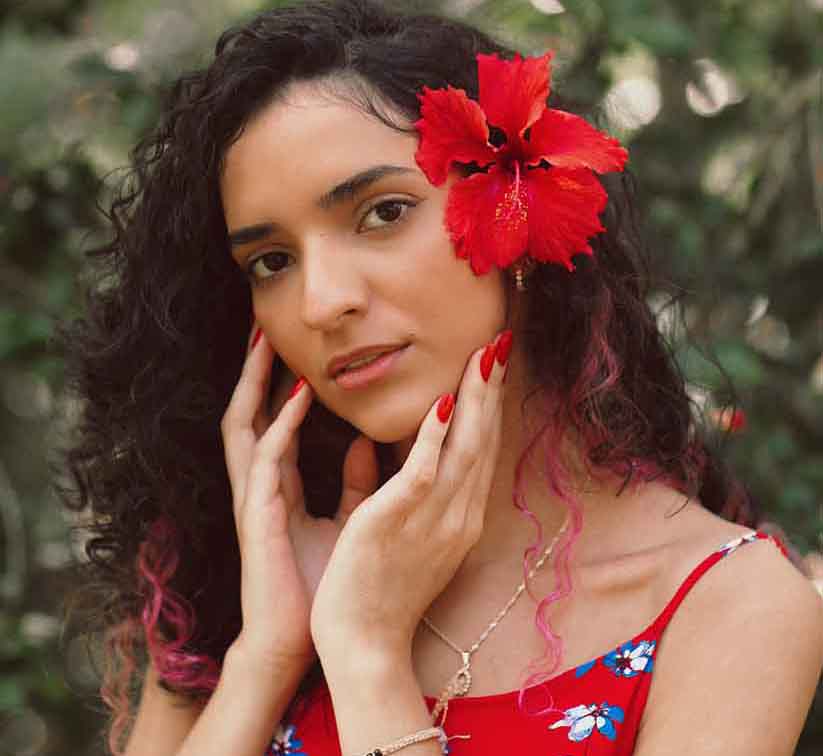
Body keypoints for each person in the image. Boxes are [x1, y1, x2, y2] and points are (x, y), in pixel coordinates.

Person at [54, 1, 823, 755]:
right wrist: (268, 653)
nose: (321, 303)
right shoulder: (249, 578)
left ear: (517, 209)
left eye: (382, 213)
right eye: (271, 262)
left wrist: (366, 654)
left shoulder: (727, 603)